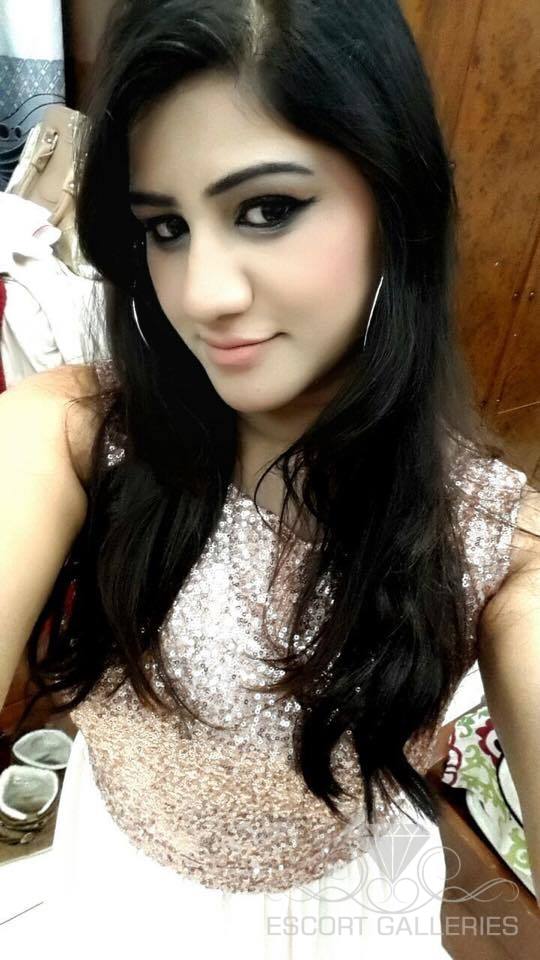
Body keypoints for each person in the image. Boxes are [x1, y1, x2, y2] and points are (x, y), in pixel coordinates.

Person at [0, 0, 539, 956]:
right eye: (166, 227)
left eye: (267, 210)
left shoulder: (499, 544)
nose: (204, 293)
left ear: (395, 201)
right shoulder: (73, 432)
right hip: (115, 890)